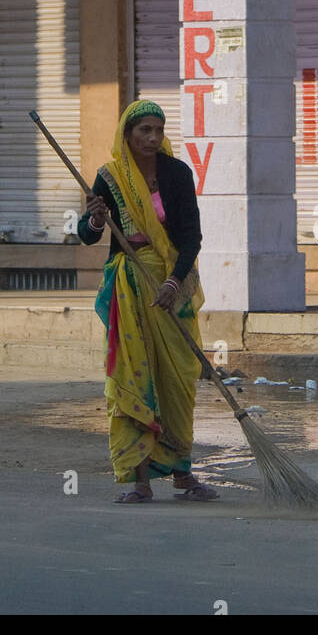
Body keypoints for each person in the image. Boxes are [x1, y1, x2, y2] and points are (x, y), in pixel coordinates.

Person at [77, 99, 219, 504]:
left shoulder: (177, 174)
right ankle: (139, 479)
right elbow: (86, 235)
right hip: (130, 286)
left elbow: (191, 236)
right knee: (136, 378)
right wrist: (96, 220)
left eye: (158, 130)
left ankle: (183, 473)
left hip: (172, 285)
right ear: (128, 134)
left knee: (178, 378)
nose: (153, 137)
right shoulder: (111, 177)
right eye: (145, 131)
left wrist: (174, 283)